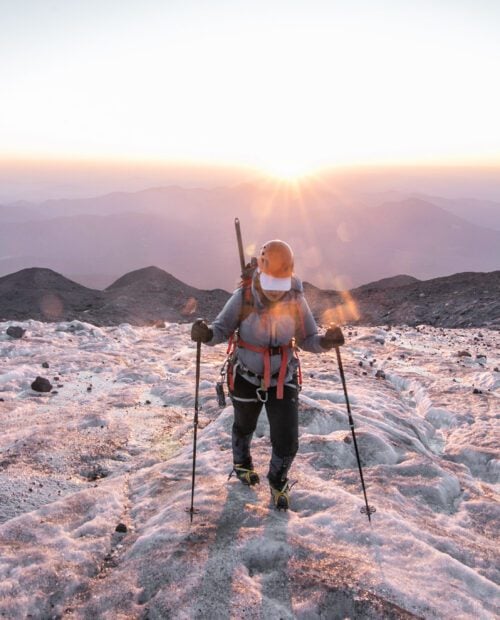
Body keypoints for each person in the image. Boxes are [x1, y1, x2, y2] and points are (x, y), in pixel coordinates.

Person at [191, 239, 344, 510]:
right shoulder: (244, 297)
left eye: (280, 286)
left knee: (287, 440)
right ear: (261, 274)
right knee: (244, 426)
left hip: (283, 380)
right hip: (246, 377)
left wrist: (327, 342)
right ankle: (242, 464)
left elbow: (307, 338)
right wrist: (207, 335)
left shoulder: (296, 298)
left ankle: (278, 479)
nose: (275, 294)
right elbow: (221, 329)